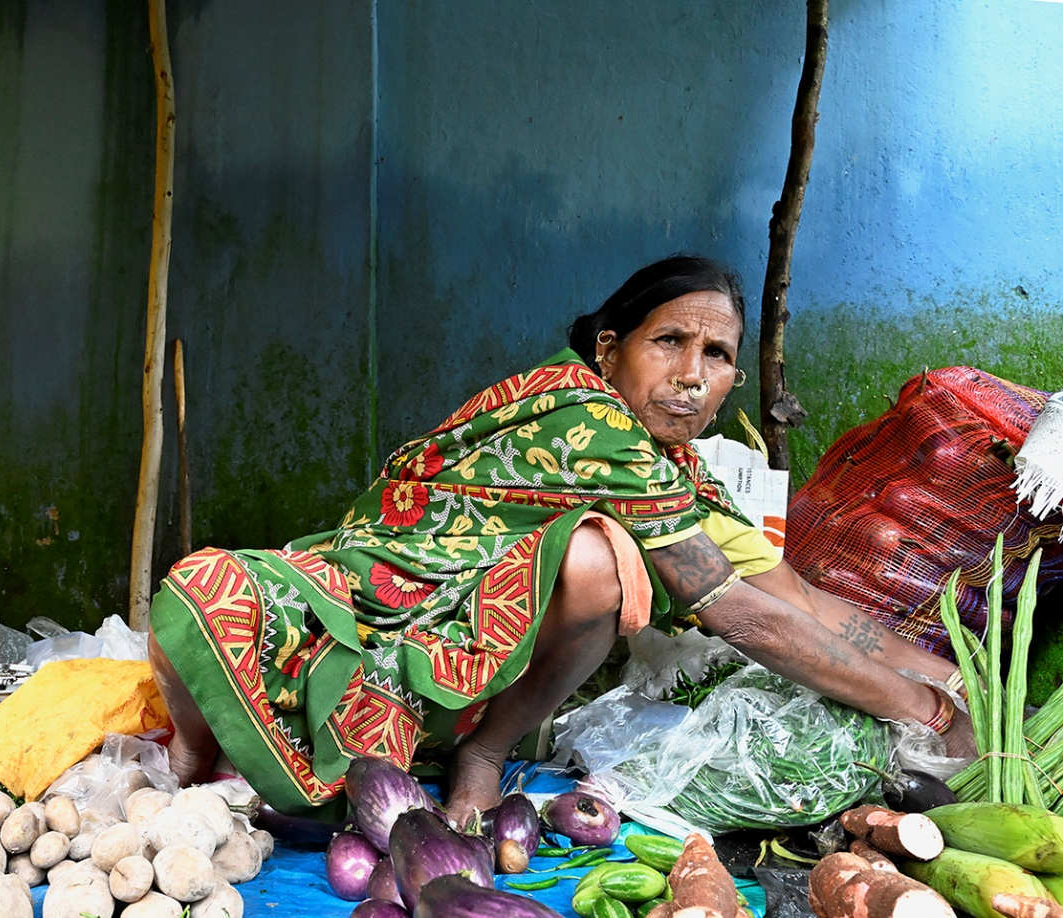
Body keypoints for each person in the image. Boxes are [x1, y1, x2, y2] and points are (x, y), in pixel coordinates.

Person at [147, 254, 976, 828]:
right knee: (205, 592)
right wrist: (924, 712)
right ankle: (201, 748)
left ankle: (479, 751)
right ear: (610, 350)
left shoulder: (672, 467)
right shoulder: (585, 419)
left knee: (595, 559)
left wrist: (960, 684)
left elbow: (789, 597)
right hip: (371, 601)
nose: (692, 372)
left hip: (465, 647)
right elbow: (738, 618)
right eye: (669, 342)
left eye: (717, 355)